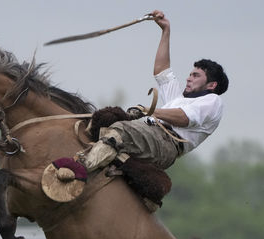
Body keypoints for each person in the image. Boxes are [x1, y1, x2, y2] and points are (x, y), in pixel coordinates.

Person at [82, 10, 228, 175]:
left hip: (166, 144)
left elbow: (184, 118)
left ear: (211, 85)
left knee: (120, 129)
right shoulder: (178, 99)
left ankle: (79, 170)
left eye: (195, 76)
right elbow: (161, 71)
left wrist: (148, 110)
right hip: (149, 135)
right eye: (189, 74)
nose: (188, 78)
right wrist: (165, 30)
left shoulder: (213, 101)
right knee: (100, 120)